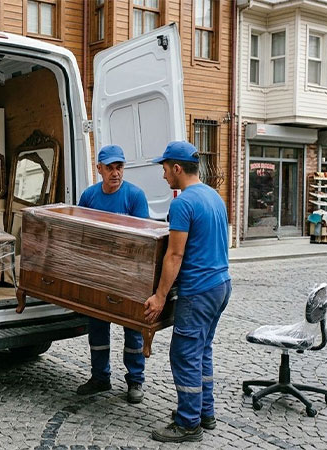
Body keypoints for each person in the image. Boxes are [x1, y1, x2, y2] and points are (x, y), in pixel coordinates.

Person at [144, 141, 231, 443]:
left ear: (177, 168)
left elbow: (174, 255)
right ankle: (205, 412)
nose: (164, 174)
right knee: (202, 349)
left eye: (165, 168)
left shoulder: (182, 203)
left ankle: (188, 423)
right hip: (221, 285)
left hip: (198, 290)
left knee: (184, 354)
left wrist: (159, 296)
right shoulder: (213, 196)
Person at [75, 144, 150, 404]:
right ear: (99, 169)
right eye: (110, 168)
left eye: (119, 167)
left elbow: (144, 241)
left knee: (133, 329)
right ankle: (100, 377)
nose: (115, 173)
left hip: (129, 278)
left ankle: (135, 381)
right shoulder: (89, 197)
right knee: (96, 326)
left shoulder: (135, 196)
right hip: (98, 276)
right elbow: (82, 235)